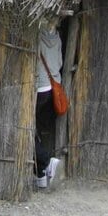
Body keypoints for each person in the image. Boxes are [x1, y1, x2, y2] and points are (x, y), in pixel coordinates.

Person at [34, 16, 63, 188]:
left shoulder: (37, 35)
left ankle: (45, 161)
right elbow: (59, 62)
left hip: (39, 87)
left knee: (26, 128)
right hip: (52, 88)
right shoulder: (57, 36)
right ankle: (40, 175)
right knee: (34, 127)